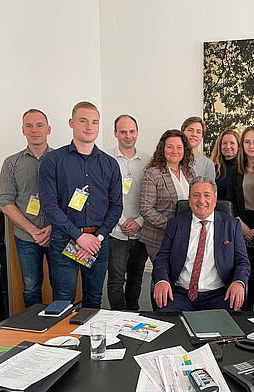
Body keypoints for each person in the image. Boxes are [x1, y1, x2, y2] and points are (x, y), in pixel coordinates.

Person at [38, 101, 122, 308]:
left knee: (94, 299)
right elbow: (49, 205)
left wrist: (96, 238)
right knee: (63, 300)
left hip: (97, 242)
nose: (89, 126)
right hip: (64, 239)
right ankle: (63, 341)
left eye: (94, 122)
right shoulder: (53, 160)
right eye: (83, 121)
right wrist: (79, 236)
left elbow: (116, 207)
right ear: (71, 123)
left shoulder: (110, 164)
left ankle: (89, 341)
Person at [153, 177, 250, 312]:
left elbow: (242, 261)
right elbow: (162, 258)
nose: (201, 200)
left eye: (207, 195)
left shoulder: (231, 225)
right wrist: (162, 280)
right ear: (189, 199)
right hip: (181, 294)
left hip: (219, 294)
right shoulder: (175, 224)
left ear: (215, 200)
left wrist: (238, 282)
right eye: (196, 195)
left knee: (229, 327)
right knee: (165, 323)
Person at [0, 109, 53, 307]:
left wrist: (52, 229)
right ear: (22, 130)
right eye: (28, 126)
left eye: (39, 125)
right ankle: (34, 329)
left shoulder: (61, 160)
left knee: (63, 286)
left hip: (57, 235)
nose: (34, 130)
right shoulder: (11, 163)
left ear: (48, 129)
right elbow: (5, 201)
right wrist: (33, 231)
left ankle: (62, 330)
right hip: (26, 238)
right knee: (31, 287)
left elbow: (69, 201)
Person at [107, 114, 150, 310]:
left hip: (141, 231)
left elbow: (152, 197)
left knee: (136, 278)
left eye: (131, 131)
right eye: (123, 131)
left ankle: (132, 314)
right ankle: (117, 316)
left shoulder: (149, 162)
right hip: (116, 231)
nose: (127, 135)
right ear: (115, 133)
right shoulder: (106, 160)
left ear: (137, 132)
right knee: (115, 279)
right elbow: (103, 198)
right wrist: (122, 221)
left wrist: (139, 221)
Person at [227, 126, 254, 310]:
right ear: (242, 145)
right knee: (245, 278)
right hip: (241, 228)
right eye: (247, 142)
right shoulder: (236, 170)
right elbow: (230, 201)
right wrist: (240, 224)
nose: (251, 146)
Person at [139, 129, 195, 261]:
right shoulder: (153, 173)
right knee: (161, 276)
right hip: (159, 237)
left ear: (185, 150)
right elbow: (145, 208)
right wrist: (172, 225)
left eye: (179, 147)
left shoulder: (189, 172)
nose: (174, 151)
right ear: (162, 149)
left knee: (178, 276)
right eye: (170, 146)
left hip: (185, 235)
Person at [212, 129, 239, 199]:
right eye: (224, 143)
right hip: (219, 208)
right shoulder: (214, 169)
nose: (228, 146)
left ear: (238, 146)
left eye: (232, 143)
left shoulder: (243, 168)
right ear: (220, 146)